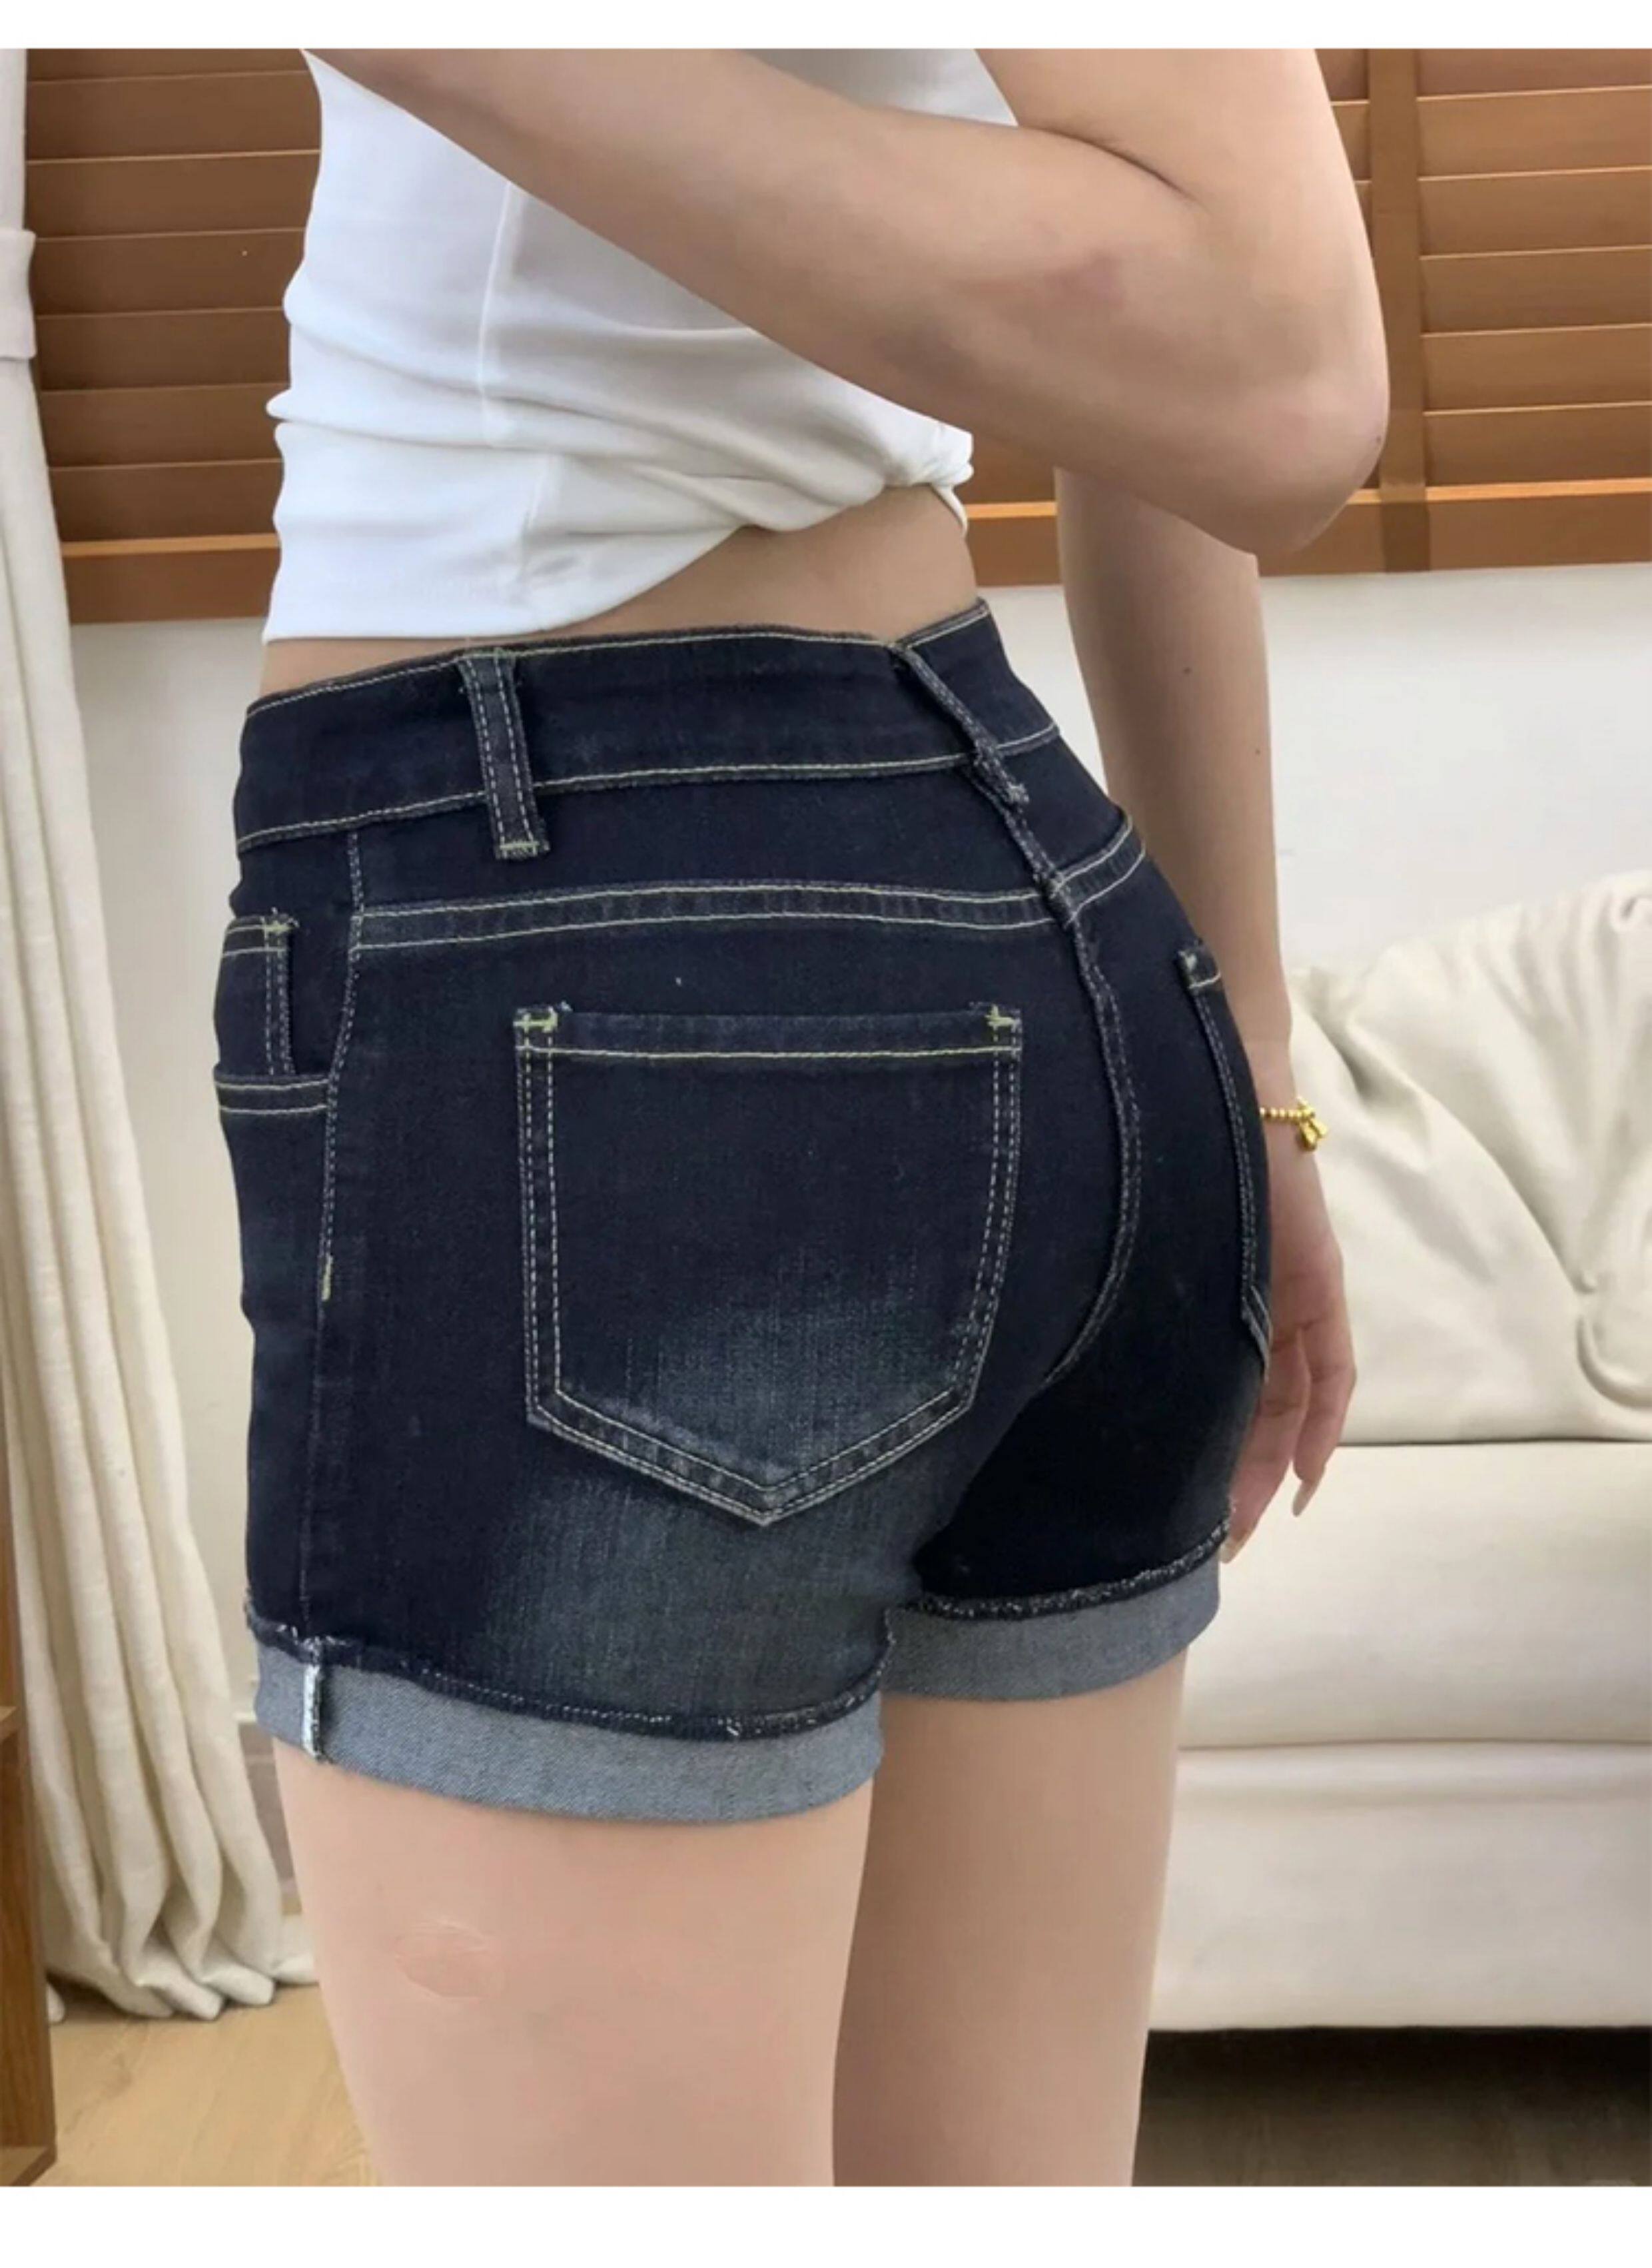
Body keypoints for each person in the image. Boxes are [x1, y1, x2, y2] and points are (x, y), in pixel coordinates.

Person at [215, 49, 1382, 2185]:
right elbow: (1157, 349)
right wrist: (1252, 1060)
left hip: (572, 932)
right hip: (1049, 911)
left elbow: (1269, 363)